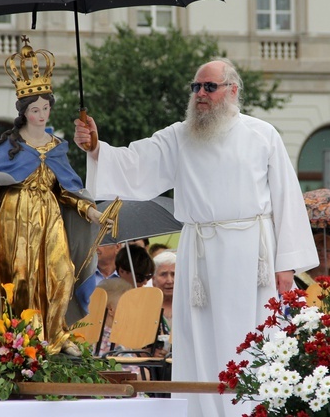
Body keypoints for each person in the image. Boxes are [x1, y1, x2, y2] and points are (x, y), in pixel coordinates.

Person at [74, 58, 319, 417]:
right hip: (199, 254)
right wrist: (96, 148)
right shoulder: (179, 136)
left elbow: (286, 199)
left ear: (232, 90)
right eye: (196, 87)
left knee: (247, 339)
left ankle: (251, 411)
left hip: (250, 254)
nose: (200, 94)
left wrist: (286, 266)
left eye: (209, 87)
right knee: (198, 341)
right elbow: (135, 163)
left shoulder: (262, 134)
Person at [0, 37, 110, 358]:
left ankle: (56, 333)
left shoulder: (57, 147)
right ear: (24, 113)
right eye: (36, 109)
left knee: (62, 273)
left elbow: (68, 190)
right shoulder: (6, 147)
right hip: (14, 219)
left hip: (50, 218)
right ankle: (21, 339)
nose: (42, 114)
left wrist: (93, 213)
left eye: (46, 108)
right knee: (21, 281)